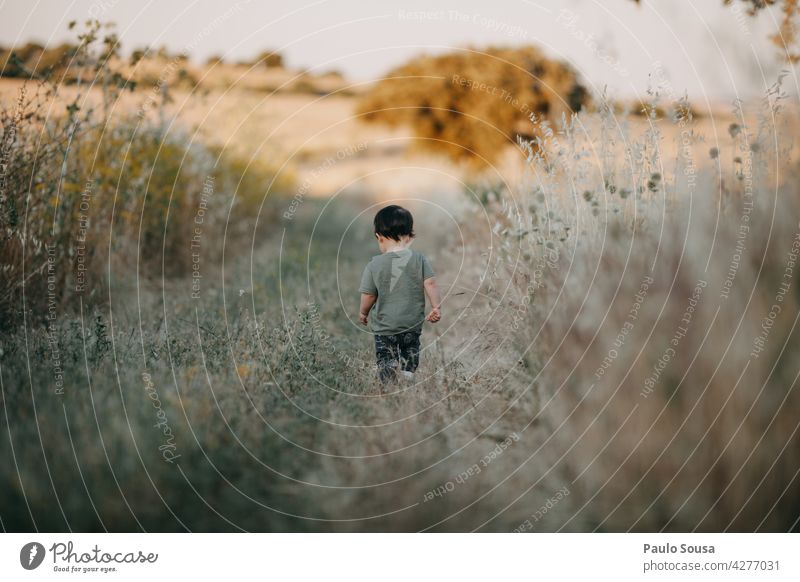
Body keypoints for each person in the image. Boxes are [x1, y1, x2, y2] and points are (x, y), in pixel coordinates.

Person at [358, 205, 441, 383]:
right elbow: (431, 283)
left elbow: (369, 296)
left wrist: (363, 313)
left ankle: (388, 379)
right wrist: (436, 307)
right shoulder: (419, 259)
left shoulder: (374, 265)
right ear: (410, 236)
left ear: (378, 237)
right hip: (412, 324)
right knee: (410, 352)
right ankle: (408, 374)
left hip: (385, 328)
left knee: (386, 357)